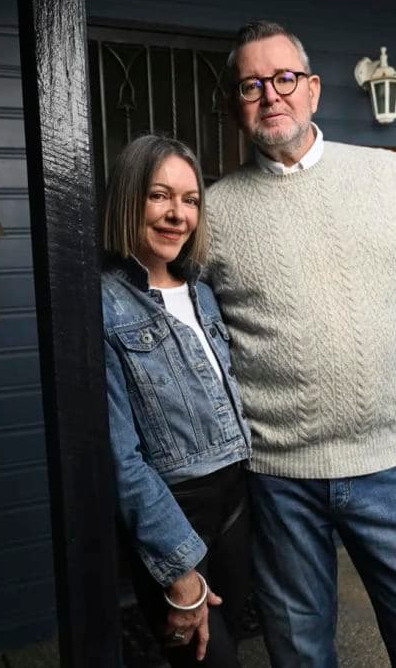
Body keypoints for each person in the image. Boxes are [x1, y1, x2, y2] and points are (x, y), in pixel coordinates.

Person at [204, 20, 396, 666]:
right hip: (277, 481)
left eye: (284, 78)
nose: (271, 95)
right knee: (300, 655)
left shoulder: (388, 176)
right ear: (238, 103)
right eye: (251, 85)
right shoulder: (212, 209)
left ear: (314, 89)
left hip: (388, 471)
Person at [101, 134, 252, 667]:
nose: (177, 215)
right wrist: (179, 568)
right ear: (130, 199)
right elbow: (119, 459)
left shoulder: (203, 293)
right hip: (175, 515)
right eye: (159, 196)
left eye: (190, 200)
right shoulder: (102, 304)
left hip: (238, 506)